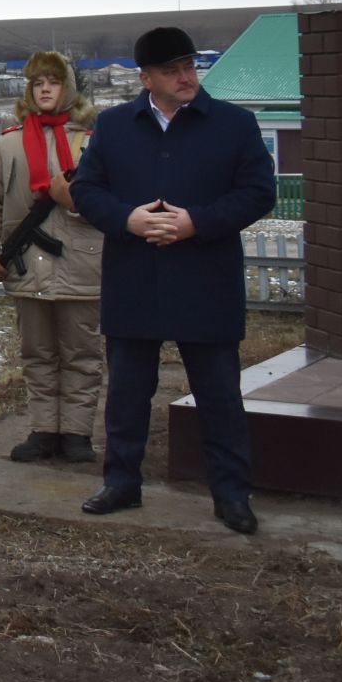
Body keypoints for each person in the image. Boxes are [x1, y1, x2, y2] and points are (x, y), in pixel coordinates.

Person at [69, 27, 276, 534]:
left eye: (189, 66)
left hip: (205, 280)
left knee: (220, 395)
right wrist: (127, 220)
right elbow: (87, 189)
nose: (186, 77)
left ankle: (231, 493)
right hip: (135, 278)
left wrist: (196, 223)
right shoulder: (115, 126)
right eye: (172, 70)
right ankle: (121, 482)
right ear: (146, 78)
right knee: (128, 393)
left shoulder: (234, 124)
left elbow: (257, 192)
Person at [0, 51, 105, 464]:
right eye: (37, 83)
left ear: (68, 87)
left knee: (81, 355)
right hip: (28, 264)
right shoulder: (10, 141)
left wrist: (77, 201)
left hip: (82, 262)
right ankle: (44, 430)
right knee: (37, 354)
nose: (45, 89)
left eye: (53, 82)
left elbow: (113, 201)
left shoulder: (92, 139)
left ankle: (76, 433)